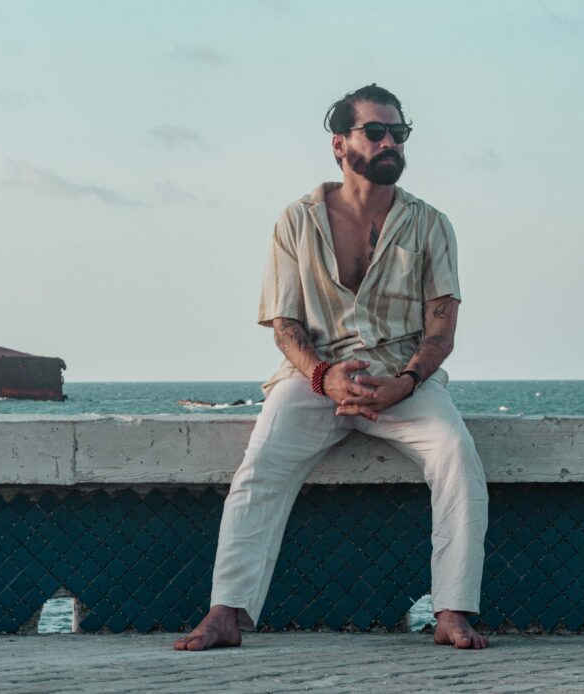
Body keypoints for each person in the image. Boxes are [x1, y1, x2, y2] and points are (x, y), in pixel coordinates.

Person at [173, 84, 490, 651]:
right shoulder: (296, 222)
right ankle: (225, 612)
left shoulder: (430, 224)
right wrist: (324, 377)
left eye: (399, 133)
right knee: (261, 464)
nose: (390, 142)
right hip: (314, 377)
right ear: (340, 144)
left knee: (456, 455)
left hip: (402, 378)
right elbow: (285, 325)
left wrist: (404, 384)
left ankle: (452, 612)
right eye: (376, 132)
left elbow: (441, 330)